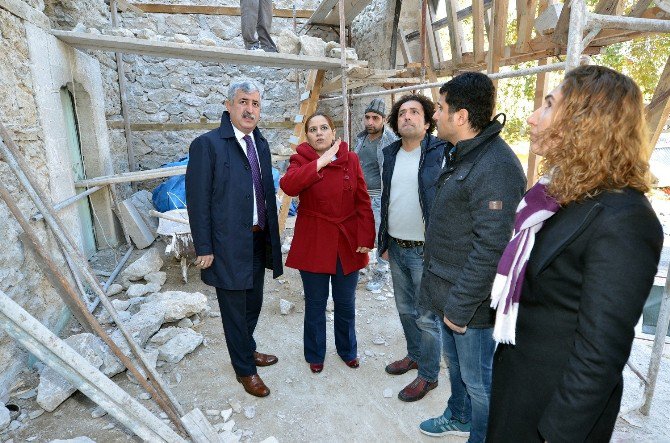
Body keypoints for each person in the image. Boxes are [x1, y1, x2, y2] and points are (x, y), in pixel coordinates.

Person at [486, 65, 663, 442]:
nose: (533, 117)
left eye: (548, 106)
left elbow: (601, 354)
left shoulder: (626, 219)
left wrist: (557, 433)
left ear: (586, 123)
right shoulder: (558, 196)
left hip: (551, 411)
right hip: (520, 384)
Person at [418, 72, 526, 441]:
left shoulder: (496, 166)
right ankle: (459, 416)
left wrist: (460, 308)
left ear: (460, 117)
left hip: (471, 305)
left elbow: (491, 248)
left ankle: (483, 436)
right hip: (451, 296)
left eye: (441, 108)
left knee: (480, 383)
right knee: (458, 371)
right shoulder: (465, 152)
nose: (435, 115)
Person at [185, 79, 283, 398]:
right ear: (228, 106)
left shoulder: (261, 144)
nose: (249, 109)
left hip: (257, 239)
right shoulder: (208, 145)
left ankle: (247, 348)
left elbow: (265, 192)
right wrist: (204, 247)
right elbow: (197, 200)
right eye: (243, 102)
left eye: (255, 104)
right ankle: (244, 369)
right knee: (233, 309)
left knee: (253, 302)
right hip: (226, 244)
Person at [280, 112, 375, 374]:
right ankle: (315, 354)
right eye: (313, 129)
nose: (319, 133)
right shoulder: (301, 159)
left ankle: (347, 350)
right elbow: (289, 186)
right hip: (314, 240)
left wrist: (366, 237)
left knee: (345, 302)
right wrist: (321, 161)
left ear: (333, 132)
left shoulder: (351, 159)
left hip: (346, 241)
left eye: (324, 128)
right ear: (308, 136)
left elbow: (363, 201)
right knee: (315, 302)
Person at [377, 94, 444, 402]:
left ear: (427, 121)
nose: (407, 117)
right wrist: (384, 241)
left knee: (428, 317)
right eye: (402, 112)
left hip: (425, 250)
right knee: (405, 310)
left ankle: (429, 376)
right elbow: (388, 198)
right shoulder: (390, 153)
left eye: (415, 112)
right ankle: (415, 356)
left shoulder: (441, 152)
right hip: (397, 246)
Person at [353, 98, 399, 292]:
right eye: (367, 117)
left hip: (380, 196)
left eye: (375, 118)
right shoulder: (360, 139)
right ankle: (361, 267)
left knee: (381, 235)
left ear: (384, 119)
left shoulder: (390, 141)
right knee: (360, 233)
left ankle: (382, 270)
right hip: (360, 195)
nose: (370, 122)